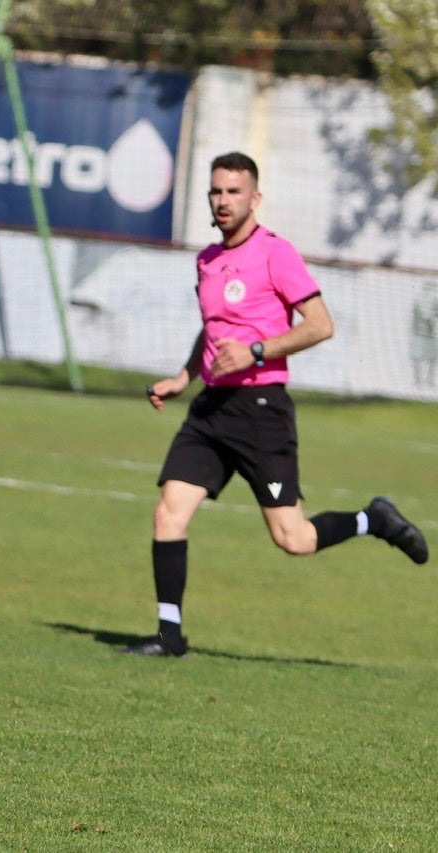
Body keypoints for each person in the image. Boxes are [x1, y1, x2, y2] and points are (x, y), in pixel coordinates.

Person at [124, 151, 429, 657]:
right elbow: (215, 329)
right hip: (210, 410)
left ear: (255, 198)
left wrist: (257, 350)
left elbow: (319, 324)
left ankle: (372, 519)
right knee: (168, 515)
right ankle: (168, 636)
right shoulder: (207, 259)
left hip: (260, 409)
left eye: (233, 192)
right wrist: (184, 376)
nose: (222, 201)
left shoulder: (275, 254)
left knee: (294, 538)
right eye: (215, 192)